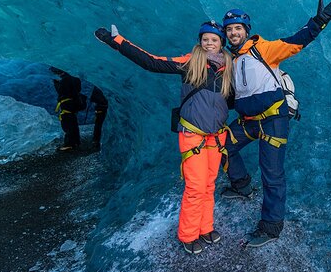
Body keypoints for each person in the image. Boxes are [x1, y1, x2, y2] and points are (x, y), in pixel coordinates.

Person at [94, 21, 233, 255]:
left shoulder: (226, 70)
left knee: (209, 185)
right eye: (205, 39)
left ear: (221, 43)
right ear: (200, 41)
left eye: (214, 39)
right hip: (194, 136)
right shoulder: (190, 62)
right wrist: (117, 41)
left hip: (216, 138)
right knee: (195, 187)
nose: (209, 43)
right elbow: (152, 62)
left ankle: (205, 227)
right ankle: (188, 235)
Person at [221, 0, 331, 248]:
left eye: (237, 28)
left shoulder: (263, 49)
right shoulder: (233, 61)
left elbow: (295, 41)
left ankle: (271, 227)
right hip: (248, 121)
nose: (233, 33)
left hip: (273, 121)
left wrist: (319, 21)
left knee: (272, 174)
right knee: (222, 145)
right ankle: (242, 185)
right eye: (229, 29)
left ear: (246, 30)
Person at [49, 67, 82, 151]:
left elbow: (61, 91)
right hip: (74, 102)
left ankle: (69, 144)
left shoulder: (65, 79)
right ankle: (76, 141)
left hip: (66, 103)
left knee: (67, 123)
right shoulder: (75, 79)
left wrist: (56, 84)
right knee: (73, 121)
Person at [89, 86, 108, 150]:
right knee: (99, 125)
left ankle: (96, 140)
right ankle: (97, 140)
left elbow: (92, 98)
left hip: (100, 108)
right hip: (103, 108)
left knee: (98, 125)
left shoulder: (97, 88)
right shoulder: (102, 87)